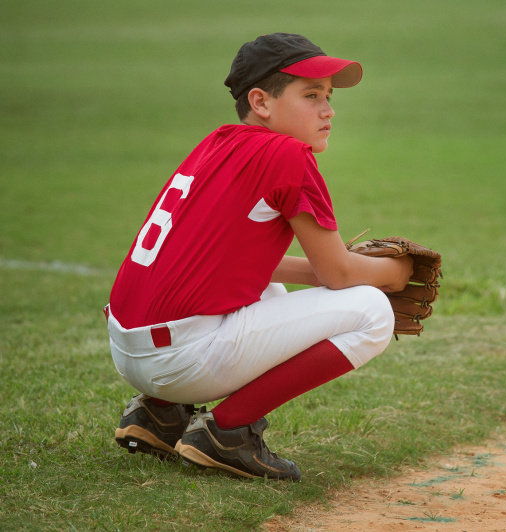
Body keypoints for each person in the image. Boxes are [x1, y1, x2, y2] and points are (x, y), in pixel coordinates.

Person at [105, 33, 413, 481]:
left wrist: (346, 273)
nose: (328, 110)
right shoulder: (288, 154)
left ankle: (161, 413)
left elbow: (229, 259)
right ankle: (227, 434)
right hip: (183, 359)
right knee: (372, 311)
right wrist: (393, 273)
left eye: (328, 97)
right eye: (311, 96)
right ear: (261, 102)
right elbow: (339, 271)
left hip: (129, 351)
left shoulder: (218, 143)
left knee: (266, 286)